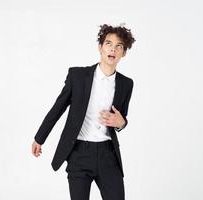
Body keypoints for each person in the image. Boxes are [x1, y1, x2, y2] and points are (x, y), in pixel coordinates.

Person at [31, 23, 135, 200]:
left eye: (119, 46)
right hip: (79, 153)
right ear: (100, 47)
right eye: (109, 43)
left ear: (123, 53)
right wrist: (39, 138)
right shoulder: (78, 76)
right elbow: (58, 108)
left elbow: (121, 119)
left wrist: (122, 124)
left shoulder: (126, 84)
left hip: (108, 154)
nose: (113, 49)